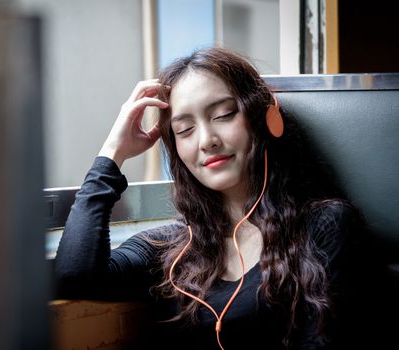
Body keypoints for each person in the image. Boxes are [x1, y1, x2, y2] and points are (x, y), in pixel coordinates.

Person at [54, 47, 361, 349]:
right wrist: (112, 153)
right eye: (185, 129)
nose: (207, 141)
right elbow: (75, 275)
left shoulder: (324, 225)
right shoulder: (173, 248)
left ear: (263, 117)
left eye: (224, 114)